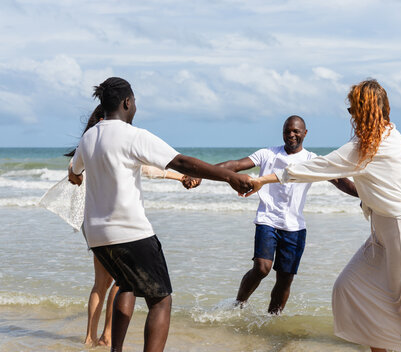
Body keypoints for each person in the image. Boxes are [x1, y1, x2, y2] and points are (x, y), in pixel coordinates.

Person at [245, 80, 401, 352]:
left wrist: (264, 180)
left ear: (366, 109)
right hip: (381, 235)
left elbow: (319, 166)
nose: (350, 113)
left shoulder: (374, 145)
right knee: (348, 287)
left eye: (353, 108)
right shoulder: (386, 135)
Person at [68, 77, 252, 352]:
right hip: (129, 231)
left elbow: (74, 171)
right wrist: (228, 177)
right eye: (135, 102)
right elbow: (181, 161)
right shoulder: (133, 135)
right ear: (127, 102)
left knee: (126, 285)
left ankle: (115, 349)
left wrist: (77, 178)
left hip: (96, 235)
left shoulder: (89, 137)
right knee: (161, 300)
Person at [186, 116, 357, 314]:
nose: (291, 135)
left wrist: (364, 195)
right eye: (287, 131)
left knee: (285, 279)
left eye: (295, 131)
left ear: (305, 133)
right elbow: (235, 165)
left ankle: (271, 319)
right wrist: (201, 174)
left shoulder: (312, 160)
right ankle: (239, 303)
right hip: (267, 220)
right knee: (261, 268)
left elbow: (340, 181)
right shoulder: (267, 154)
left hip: (295, 227)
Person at [65, 105, 191, 347]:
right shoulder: (115, 144)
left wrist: (76, 176)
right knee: (124, 283)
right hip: (121, 227)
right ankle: (107, 335)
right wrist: (182, 176)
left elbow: (73, 172)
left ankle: (90, 337)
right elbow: (150, 169)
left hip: (95, 228)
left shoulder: (88, 145)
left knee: (101, 283)